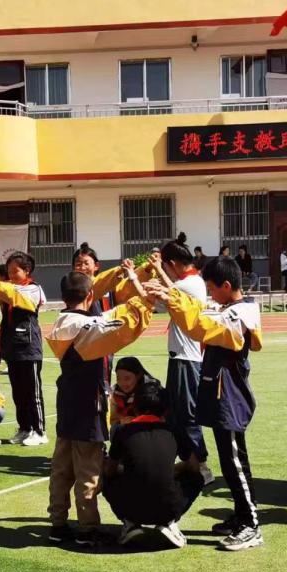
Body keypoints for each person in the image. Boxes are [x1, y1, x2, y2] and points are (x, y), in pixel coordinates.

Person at [46, 269, 161, 547]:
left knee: (61, 467)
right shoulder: (87, 327)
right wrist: (144, 300)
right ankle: (87, 529)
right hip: (88, 404)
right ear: (90, 296)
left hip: (68, 401)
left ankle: (57, 522)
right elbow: (120, 326)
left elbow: (106, 318)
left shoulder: (62, 321)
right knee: (88, 470)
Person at [162, 255, 265, 552]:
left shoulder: (240, 314)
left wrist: (171, 299)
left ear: (226, 286)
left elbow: (199, 325)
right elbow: (201, 314)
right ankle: (242, 516)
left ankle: (251, 524)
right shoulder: (230, 310)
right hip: (222, 396)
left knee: (235, 463)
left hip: (230, 398)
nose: (209, 294)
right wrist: (171, 296)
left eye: (211, 288)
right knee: (230, 462)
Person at [103, 380, 204, 549]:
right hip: (169, 507)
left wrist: (124, 470)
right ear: (166, 409)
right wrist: (174, 469)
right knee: (197, 477)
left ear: (135, 407)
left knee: (105, 477)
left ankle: (130, 523)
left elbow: (109, 470)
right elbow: (194, 466)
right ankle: (169, 523)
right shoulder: (174, 430)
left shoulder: (123, 431)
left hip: (131, 507)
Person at [149, 233, 215, 486]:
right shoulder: (187, 282)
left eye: (166, 267)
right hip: (181, 357)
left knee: (187, 413)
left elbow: (169, 291)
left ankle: (201, 463)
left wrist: (154, 272)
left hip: (188, 358)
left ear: (173, 264)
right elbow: (169, 293)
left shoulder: (192, 283)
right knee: (175, 413)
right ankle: (189, 460)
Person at [0, 251, 48, 447]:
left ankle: (40, 431)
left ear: (27, 270)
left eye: (15, 271)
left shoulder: (34, 289)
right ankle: (25, 428)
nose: (11, 275)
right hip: (12, 347)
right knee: (18, 392)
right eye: (9, 271)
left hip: (29, 347)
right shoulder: (7, 289)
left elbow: (16, 295)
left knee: (32, 392)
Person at [109, 356, 158, 432]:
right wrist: (121, 420)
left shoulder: (152, 392)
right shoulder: (115, 393)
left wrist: (135, 420)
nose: (122, 383)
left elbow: (158, 419)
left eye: (127, 378)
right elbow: (113, 420)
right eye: (118, 378)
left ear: (138, 375)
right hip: (125, 431)